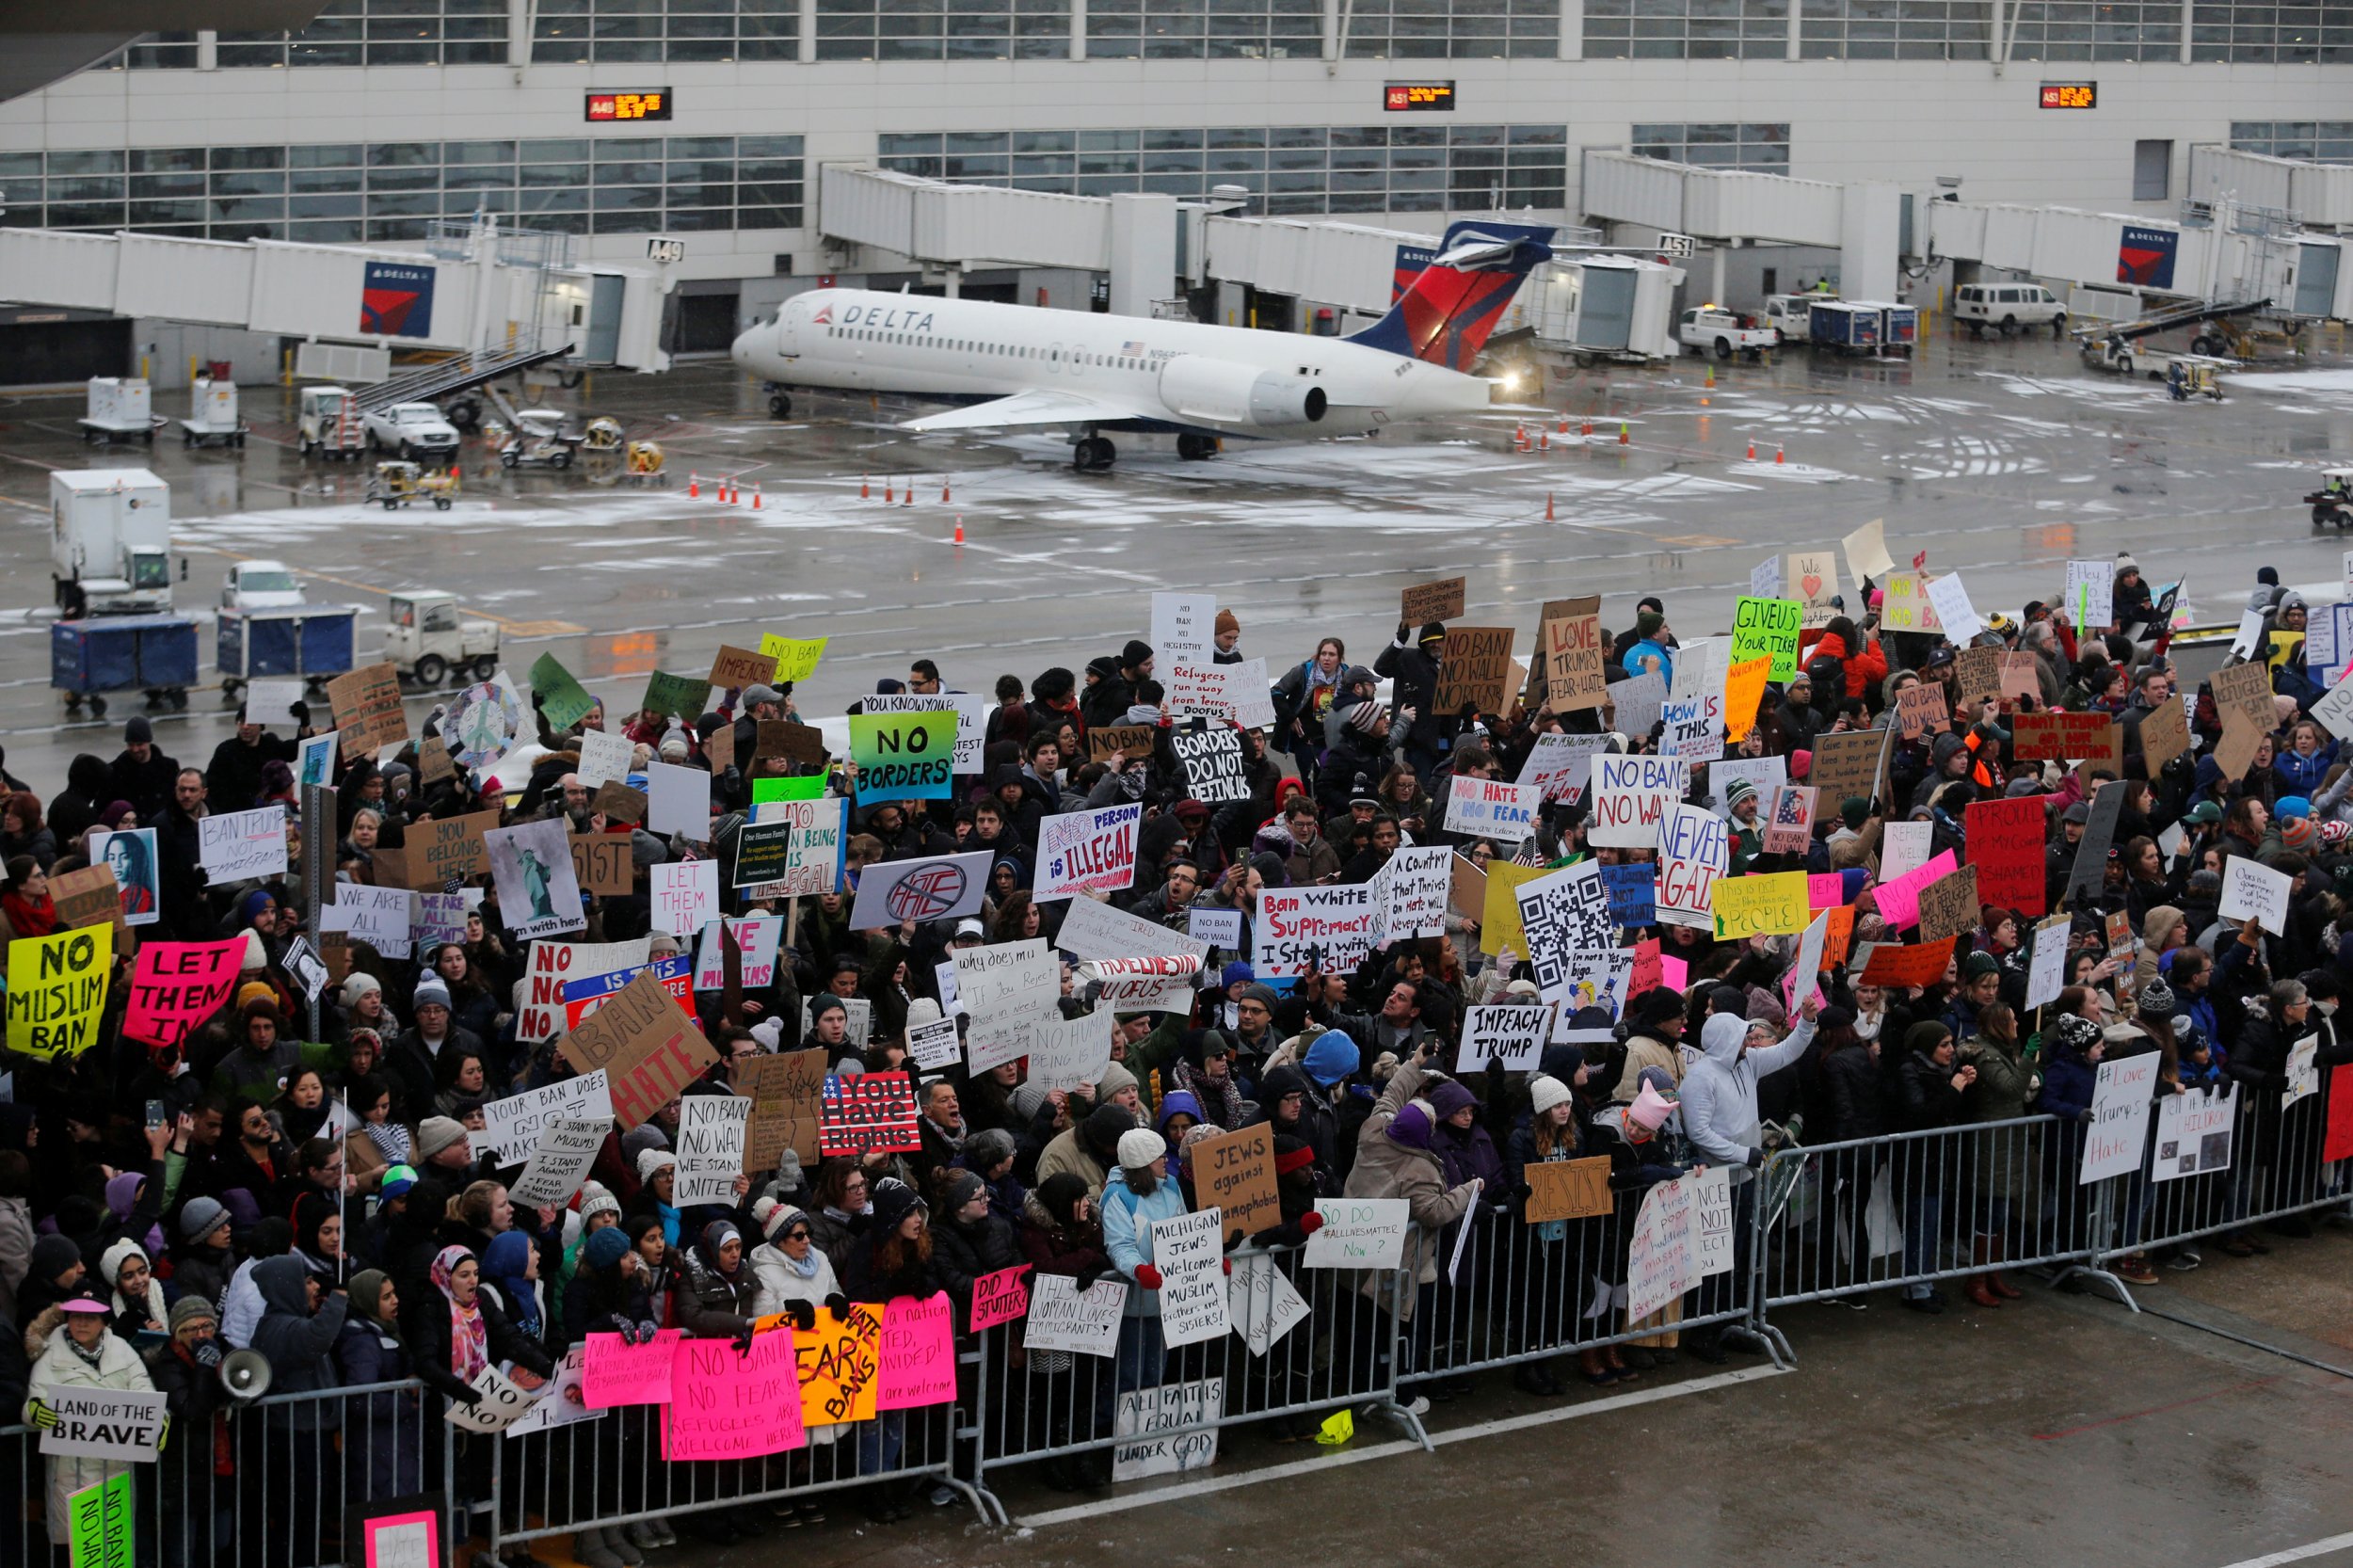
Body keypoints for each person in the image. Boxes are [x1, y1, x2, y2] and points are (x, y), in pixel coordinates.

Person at [24, 1297, 156, 1551]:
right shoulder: (49, 1354)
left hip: (116, 1471)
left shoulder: (123, 1350)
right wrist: (35, 1411)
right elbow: (35, 1398)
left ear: (103, 1323)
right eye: (75, 1316)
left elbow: (144, 1392)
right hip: (71, 1474)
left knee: (114, 1551)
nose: (82, 1323)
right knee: (75, 1551)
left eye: (90, 1318)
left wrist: (158, 1421)